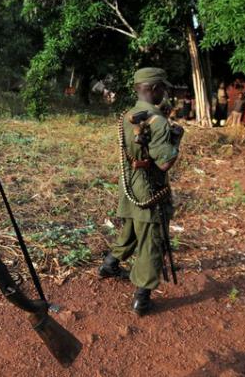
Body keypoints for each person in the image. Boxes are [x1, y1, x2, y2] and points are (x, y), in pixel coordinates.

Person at [98, 68, 182, 316]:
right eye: (163, 88)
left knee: (133, 228)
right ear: (154, 88)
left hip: (129, 183)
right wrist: (176, 139)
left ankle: (109, 265)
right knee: (152, 239)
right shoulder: (157, 120)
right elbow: (164, 162)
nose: (164, 93)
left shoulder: (128, 114)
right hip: (150, 188)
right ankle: (142, 298)